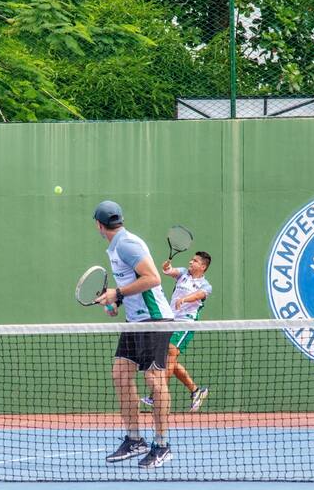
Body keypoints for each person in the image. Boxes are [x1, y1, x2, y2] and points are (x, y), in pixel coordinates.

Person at [92, 200, 175, 469]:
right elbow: (131, 282)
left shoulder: (127, 244)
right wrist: (115, 301)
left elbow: (153, 278)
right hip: (134, 319)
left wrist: (117, 293)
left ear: (98, 225)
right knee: (120, 374)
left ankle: (162, 445)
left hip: (154, 318)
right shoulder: (116, 246)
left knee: (154, 378)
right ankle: (134, 439)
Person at [141, 252, 213, 412]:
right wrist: (166, 267)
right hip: (171, 321)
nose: (191, 262)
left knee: (170, 353)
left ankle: (156, 395)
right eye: (191, 259)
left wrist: (184, 299)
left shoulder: (206, 285)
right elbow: (170, 271)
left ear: (203, 266)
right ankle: (196, 391)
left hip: (186, 323)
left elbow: (199, 295)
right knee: (170, 361)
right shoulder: (183, 274)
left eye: (194, 261)